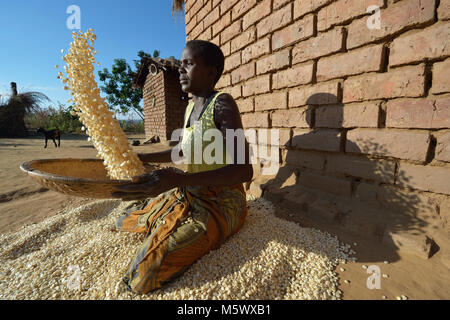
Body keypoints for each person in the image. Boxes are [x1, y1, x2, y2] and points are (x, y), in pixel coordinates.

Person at [112, 40, 253, 294]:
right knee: (128, 218)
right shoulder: (189, 107)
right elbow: (181, 151)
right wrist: (141, 157)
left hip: (222, 201)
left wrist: (179, 180)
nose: (180, 69)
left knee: (145, 273)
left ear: (211, 72)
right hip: (191, 190)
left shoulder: (222, 104)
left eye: (188, 63)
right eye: (180, 64)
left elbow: (244, 170)